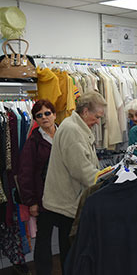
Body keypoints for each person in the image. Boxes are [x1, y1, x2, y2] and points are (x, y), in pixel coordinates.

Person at [41, 91, 106, 274]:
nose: (98, 121)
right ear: (85, 111)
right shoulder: (72, 130)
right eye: (97, 116)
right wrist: (107, 179)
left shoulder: (75, 127)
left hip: (69, 199)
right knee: (70, 253)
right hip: (67, 203)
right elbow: (82, 171)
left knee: (71, 251)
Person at [17, 99, 57, 275]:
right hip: (44, 197)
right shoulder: (33, 142)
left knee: (67, 237)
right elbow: (26, 173)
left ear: (54, 114)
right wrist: (31, 202)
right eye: (39, 115)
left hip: (67, 196)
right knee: (43, 239)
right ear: (35, 120)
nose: (44, 117)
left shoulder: (65, 133)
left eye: (47, 113)